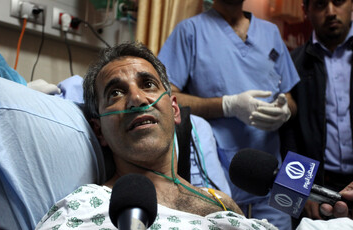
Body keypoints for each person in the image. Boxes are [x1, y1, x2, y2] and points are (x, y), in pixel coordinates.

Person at [35, 42, 278, 229]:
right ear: (99, 131)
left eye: (148, 84)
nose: (137, 99)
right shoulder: (84, 207)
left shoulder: (221, 202)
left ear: (174, 110)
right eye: (116, 93)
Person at [157, 0, 300, 229]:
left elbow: (290, 98)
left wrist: (285, 110)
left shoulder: (271, 32)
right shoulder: (190, 31)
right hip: (217, 176)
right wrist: (227, 105)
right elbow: (167, 98)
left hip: (275, 175)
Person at [281, 0, 353, 221]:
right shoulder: (292, 64)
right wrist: (300, 192)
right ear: (306, 10)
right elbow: (288, 136)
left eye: (339, 1)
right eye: (321, 4)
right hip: (319, 192)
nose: (331, 12)